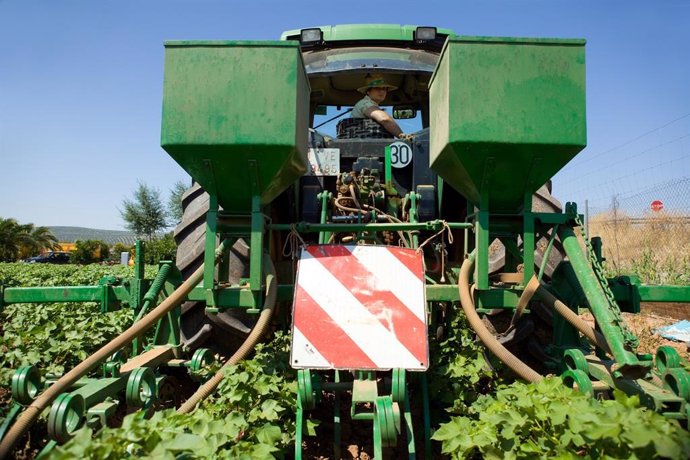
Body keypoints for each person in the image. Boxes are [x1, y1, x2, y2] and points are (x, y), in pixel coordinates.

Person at [352, 73, 413, 140]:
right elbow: (384, 119)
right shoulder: (365, 103)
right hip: (366, 145)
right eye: (377, 88)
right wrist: (403, 137)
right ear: (368, 91)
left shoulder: (370, 104)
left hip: (370, 143)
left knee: (388, 150)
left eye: (384, 88)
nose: (382, 91)